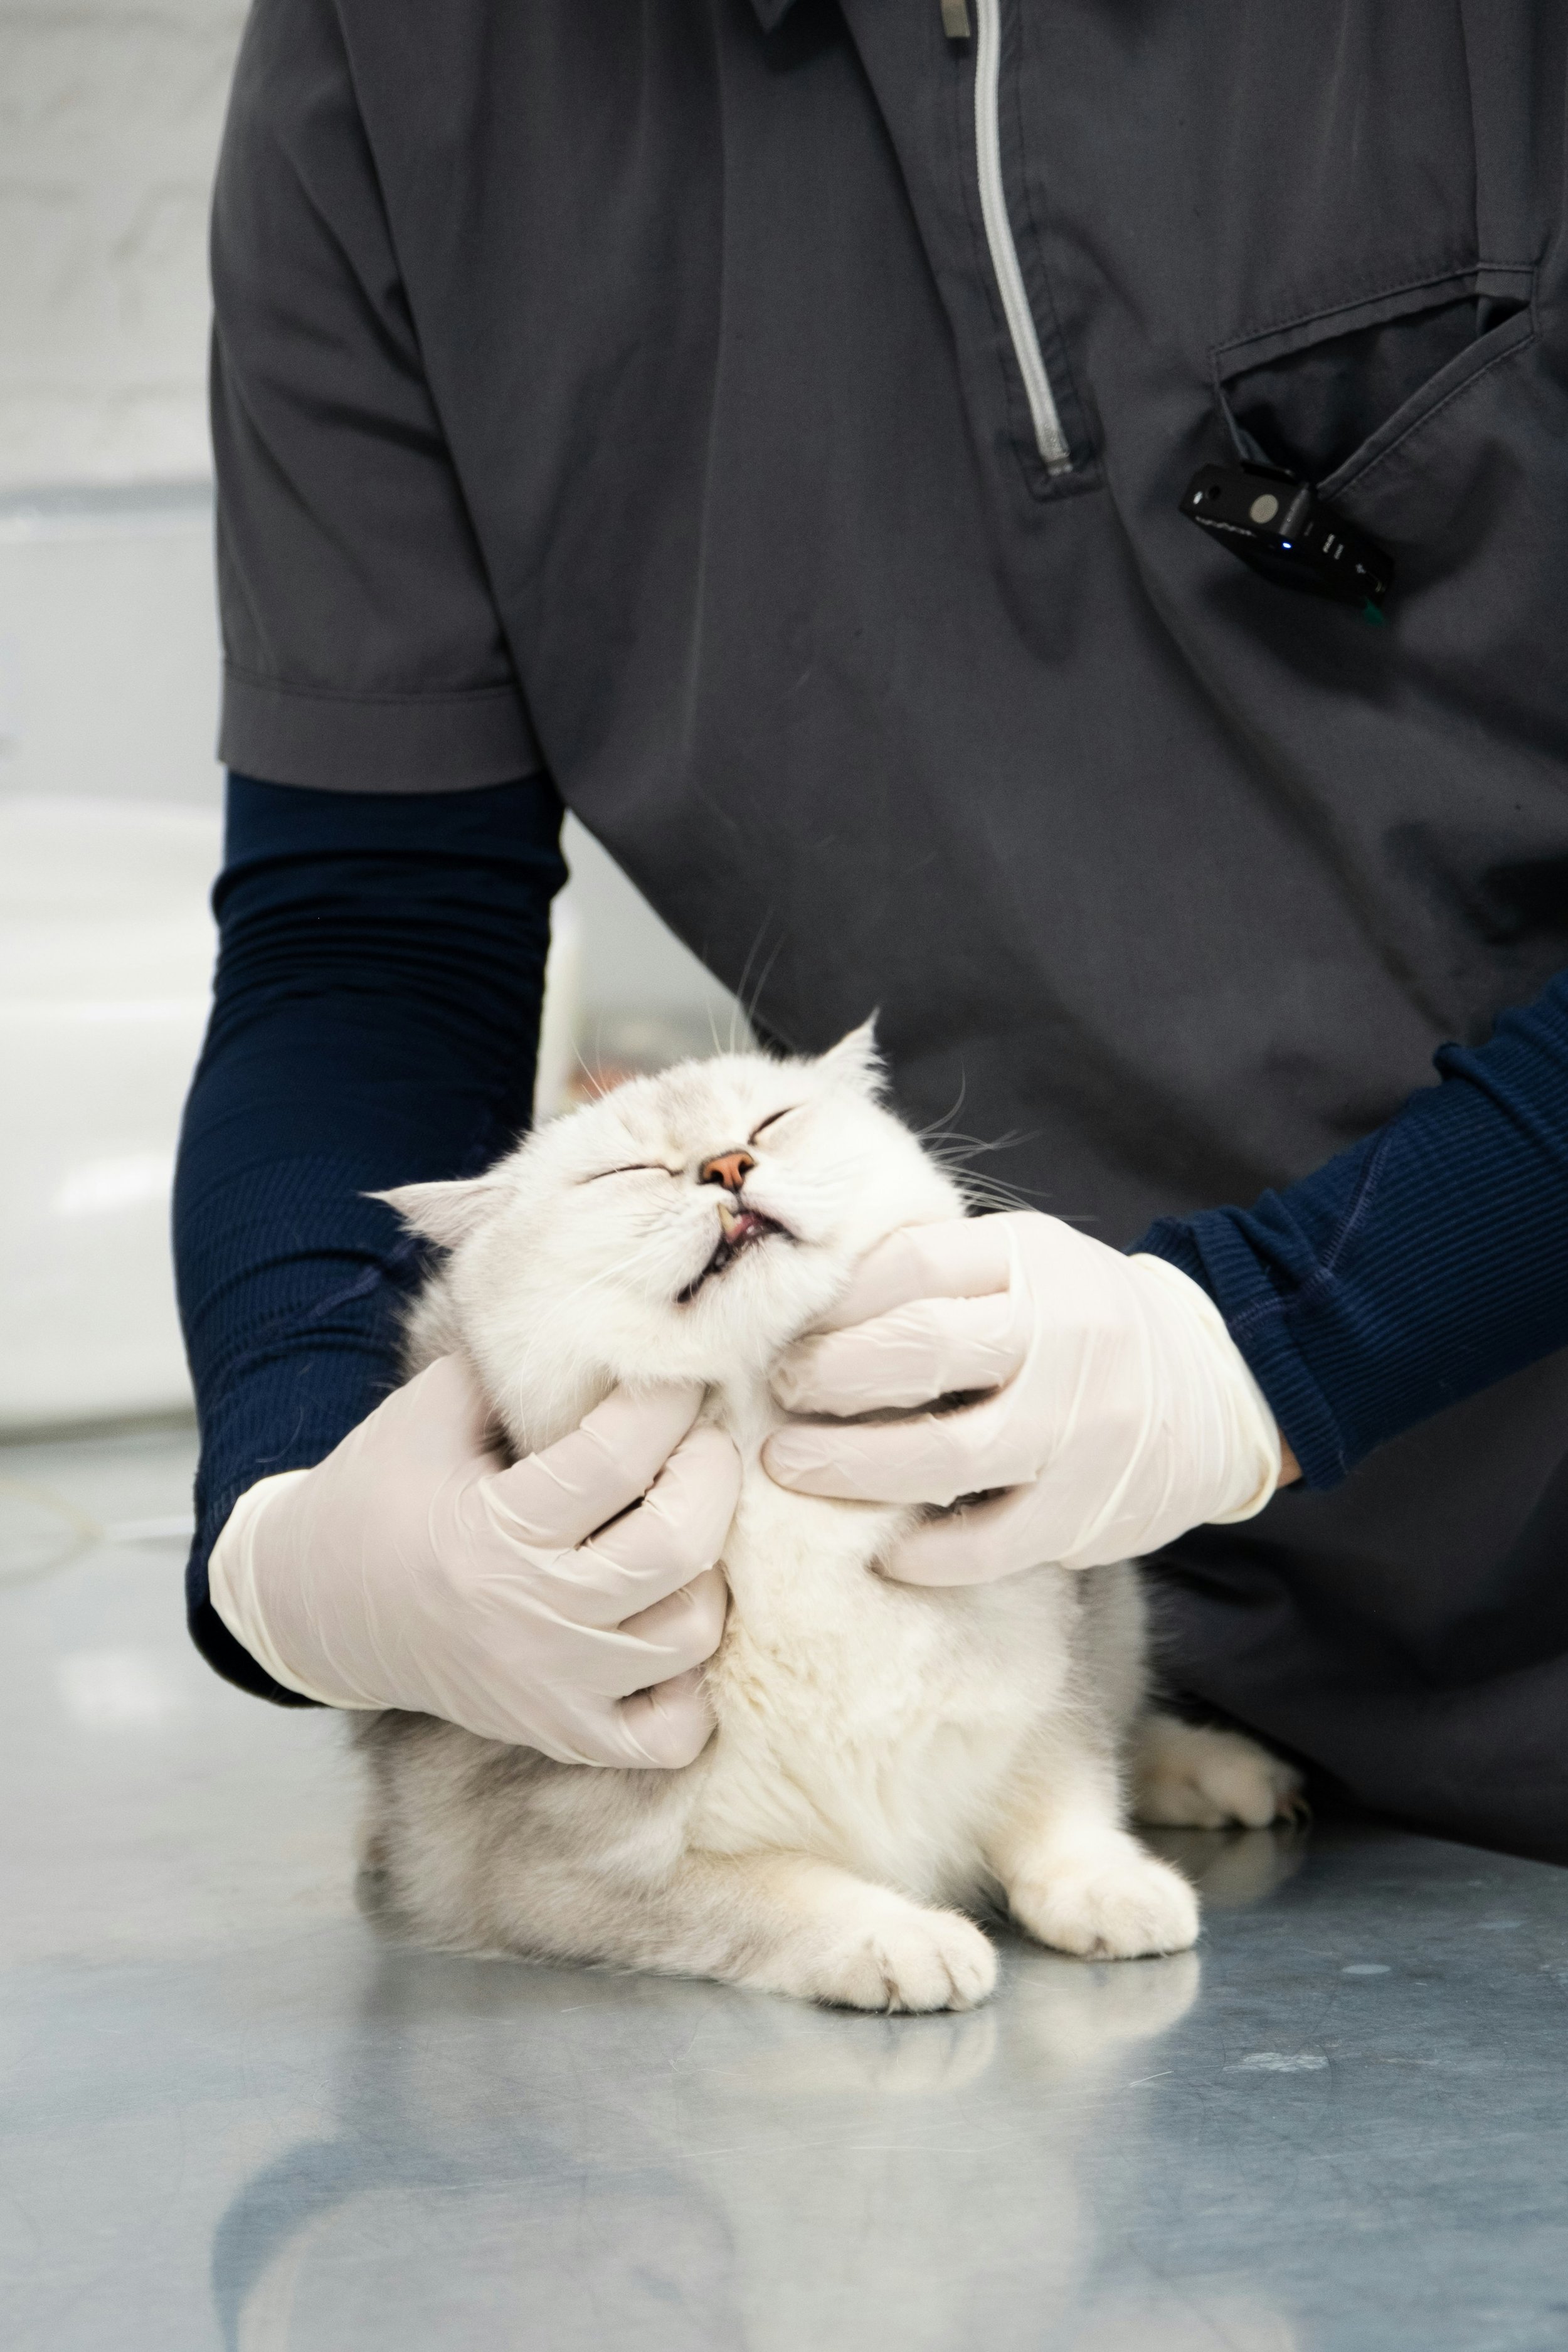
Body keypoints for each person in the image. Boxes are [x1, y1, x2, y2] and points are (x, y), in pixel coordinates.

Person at [178, 0, 1568, 1857]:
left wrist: (1267, 1340)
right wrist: (292, 1503)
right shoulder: (396, 66)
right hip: (1143, 1728)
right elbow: (372, 930)